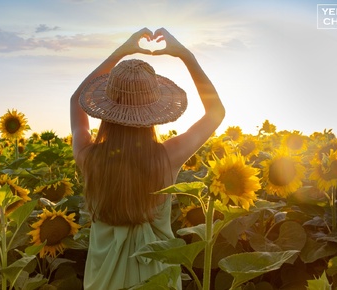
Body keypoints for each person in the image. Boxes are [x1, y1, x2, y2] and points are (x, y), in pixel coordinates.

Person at [70, 27, 225, 290]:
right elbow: (215, 113)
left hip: (102, 280)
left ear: (106, 109)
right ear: (153, 110)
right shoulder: (167, 156)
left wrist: (121, 52)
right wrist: (185, 55)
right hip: (157, 279)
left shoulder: (88, 156)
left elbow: (76, 100)